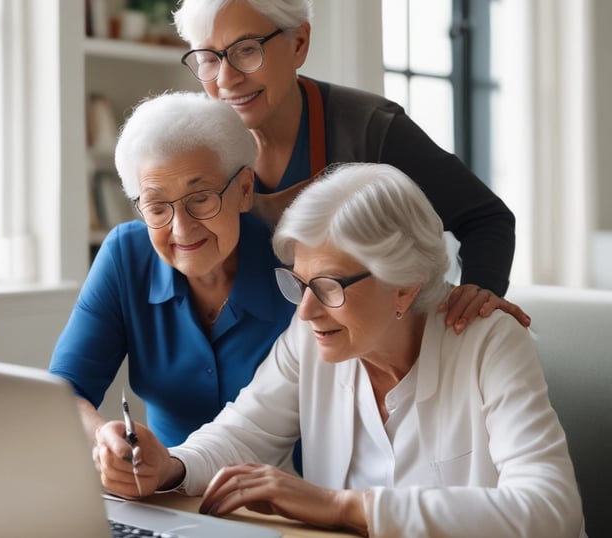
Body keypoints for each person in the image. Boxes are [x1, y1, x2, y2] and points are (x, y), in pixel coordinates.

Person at [94, 163, 584, 537]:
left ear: (405, 286)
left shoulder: (488, 341)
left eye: (329, 285)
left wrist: (343, 506)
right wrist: (168, 466)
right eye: (300, 283)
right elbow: (242, 434)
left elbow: (551, 510)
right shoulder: (312, 338)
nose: (306, 311)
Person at [172, 0, 531, 331]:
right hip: (267, 359)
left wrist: (477, 294)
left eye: (247, 50)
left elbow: (487, 220)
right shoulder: (205, 149)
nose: (225, 79)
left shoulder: (370, 129)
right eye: (208, 58)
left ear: (299, 43)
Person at [49, 91, 295, 447]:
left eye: (201, 198)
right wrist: (106, 437)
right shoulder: (126, 255)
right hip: (169, 490)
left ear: (243, 189)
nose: (181, 228)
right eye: (157, 206)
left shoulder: (293, 260)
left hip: (286, 491)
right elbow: (65, 393)